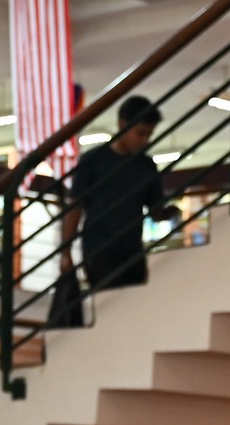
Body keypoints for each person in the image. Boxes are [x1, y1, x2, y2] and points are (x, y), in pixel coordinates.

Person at [61, 95, 179, 293]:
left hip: (133, 250)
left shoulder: (146, 166)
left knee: (132, 309)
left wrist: (169, 212)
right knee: (110, 305)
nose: (144, 140)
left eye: (149, 135)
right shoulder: (93, 160)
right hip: (99, 250)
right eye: (140, 133)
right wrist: (66, 254)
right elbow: (75, 208)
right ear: (122, 125)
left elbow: (155, 210)